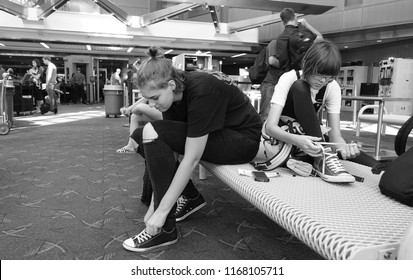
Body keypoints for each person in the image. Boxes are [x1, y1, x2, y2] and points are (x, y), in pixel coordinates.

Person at [122, 47, 262, 252]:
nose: (151, 105)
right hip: (219, 132)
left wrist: (161, 211)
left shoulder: (201, 90)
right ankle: (190, 197)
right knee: (147, 135)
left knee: (153, 131)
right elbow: (170, 152)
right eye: (148, 100)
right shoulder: (173, 97)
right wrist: (155, 204)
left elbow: (191, 158)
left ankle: (165, 230)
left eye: (154, 98)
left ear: (171, 85)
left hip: (242, 140)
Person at [265, 40, 378, 184]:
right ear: (307, 64)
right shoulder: (289, 78)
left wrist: (345, 148)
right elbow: (270, 127)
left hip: (314, 143)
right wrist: (297, 140)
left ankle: (324, 159)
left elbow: (335, 136)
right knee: (300, 87)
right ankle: (322, 159)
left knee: (375, 167)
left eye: (329, 77)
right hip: (286, 142)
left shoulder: (332, 87)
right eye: (319, 74)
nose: (323, 81)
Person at [276, 8, 323, 73]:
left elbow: (282, 60)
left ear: (282, 21)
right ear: (295, 17)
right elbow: (320, 38)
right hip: (304, 73)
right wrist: (306, 24)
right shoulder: (303, 33)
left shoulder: (280, 38)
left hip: (287, 76)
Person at [259, 39, 283, 122]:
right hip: (270, 82)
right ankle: (262, 133)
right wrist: (287, 65)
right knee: (266, 113)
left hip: (280, 83)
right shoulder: (275, 43)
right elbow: (272, 61)